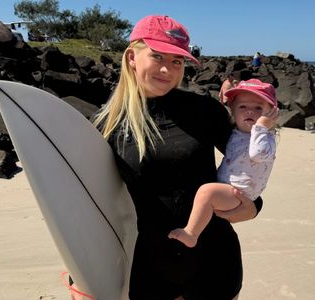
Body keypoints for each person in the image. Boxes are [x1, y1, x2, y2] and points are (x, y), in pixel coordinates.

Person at [92, 15, 263, 300]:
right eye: (157, 56)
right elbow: (86, 203)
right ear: (132, 57)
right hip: (148, 268)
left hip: (215, 262)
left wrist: (253, 205)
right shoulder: (107, 125)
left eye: (176, 61)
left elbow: (249, 162)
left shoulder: (204, 111)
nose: (166, 69)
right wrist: (81, 270)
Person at [169, 79, 279, 248]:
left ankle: (191, 233)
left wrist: (261, 127)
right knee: (208, 193)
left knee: (207, 192)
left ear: (271, 114)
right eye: (242, 107)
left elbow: (257, 153)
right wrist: (227, 98)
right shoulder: (237, 131)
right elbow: (227, 116)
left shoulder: (266, 138)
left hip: (239, 193)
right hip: (230, 187)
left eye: (258, 108)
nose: (250, 111)